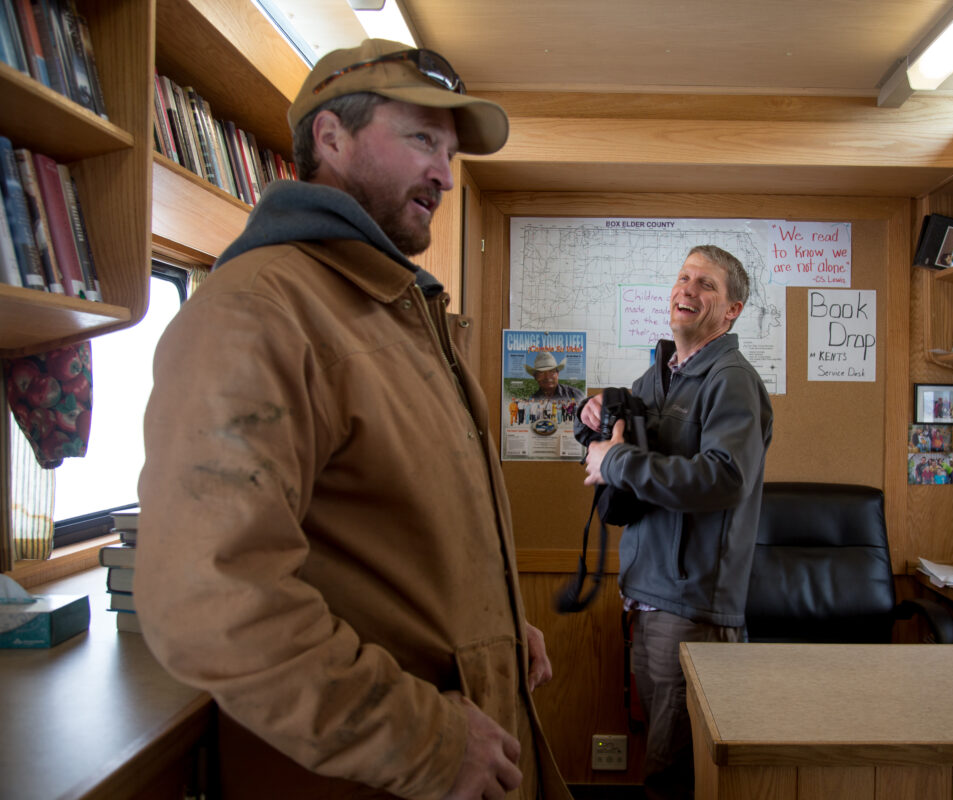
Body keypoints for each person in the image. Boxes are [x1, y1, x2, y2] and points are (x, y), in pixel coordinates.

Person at [134, 40, 569, 800]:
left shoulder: (399, 308)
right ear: (331, 137)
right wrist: (425, 740)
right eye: (421, 139)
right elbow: (212, 601)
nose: (444, 174)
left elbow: (395, 533)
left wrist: (496, 628)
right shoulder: (259, 311)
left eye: (450, 152)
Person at [574, 245, 773, 800]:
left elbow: (724, 477)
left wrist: (616, 461)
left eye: (706, 284)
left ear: (731, 310)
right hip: (648, 594)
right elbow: (625, 441)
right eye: (684, 277)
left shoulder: (731, 379)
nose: (687, 289)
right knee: (662, 757)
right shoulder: (661, 375)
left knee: (675, 773)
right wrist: (590, 416)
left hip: (691, 605)